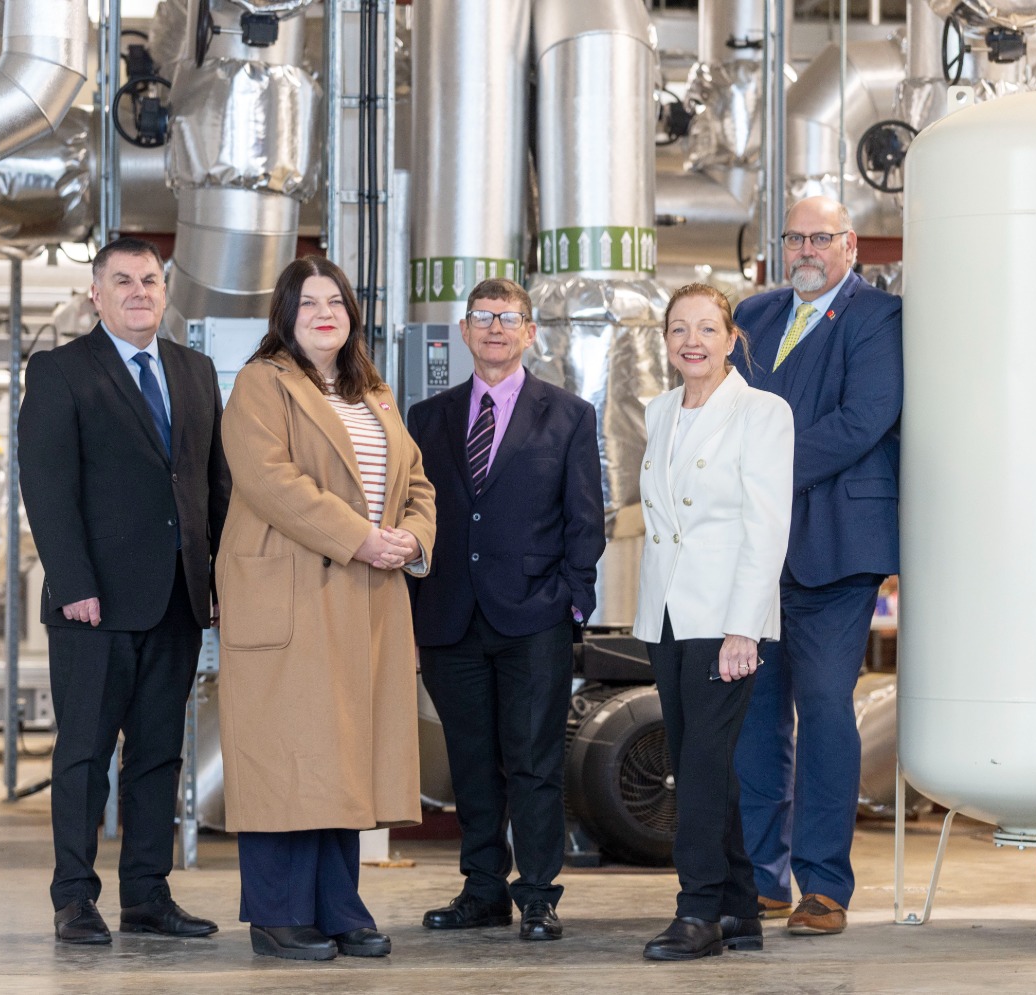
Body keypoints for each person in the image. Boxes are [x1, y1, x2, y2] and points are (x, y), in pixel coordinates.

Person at [216, 256, 437, 962]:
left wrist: (412, 538)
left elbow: (419, 482)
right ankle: (278, 913)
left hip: (365, 595)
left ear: (351, 314)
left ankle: (340, 905)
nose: (323, 312)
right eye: (308, 301)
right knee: (288, 755)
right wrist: (362, 537)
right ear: (285, 313)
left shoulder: (373, 393)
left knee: (346, 756)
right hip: (294, 590)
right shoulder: (262, 383)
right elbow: (269, 479)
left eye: (335, 301)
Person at [18, 236, 231, 945]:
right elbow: (47, 488)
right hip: (95, 604)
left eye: (150, 279)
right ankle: (74, 897)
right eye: (123, 281)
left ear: (165, 290)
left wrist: (219, 577)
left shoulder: (195, 371)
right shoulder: (59, 371)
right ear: (96, 294)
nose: (139, 290)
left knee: (158, 754)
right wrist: (73, 581)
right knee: (83, 753)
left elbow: (214, 486)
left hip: (176, 597)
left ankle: (148, 894)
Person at [408, 278, 605, 941]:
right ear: (464, 331)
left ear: (529, 332)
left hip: (535, 616)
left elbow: (586, 519)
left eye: (508, 318)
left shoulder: (570, 415)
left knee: (534, 761)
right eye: (482, 317)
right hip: (448, 617)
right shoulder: (426, 417)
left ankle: (540, 893)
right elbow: (416, 514)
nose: (495, 327)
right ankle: (483, 888)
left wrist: (574, 600)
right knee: (470, 760)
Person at [730, 195, 904, 936]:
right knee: (754, 717)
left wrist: (761, 471)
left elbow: (864, 421)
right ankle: (761, 877)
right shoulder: (755, 315)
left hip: (836, 548)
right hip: (753, 555)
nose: (805, 248)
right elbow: (724, 415)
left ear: (850, 245)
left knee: (828, 710)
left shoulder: (878, 317)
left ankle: (825, 885)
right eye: (794, 236)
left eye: (820, 237)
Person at [633, 284, 794, 961]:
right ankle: (738, 907)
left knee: (698, 765)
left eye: (706, 327)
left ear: (732, 338)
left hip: (724, 616)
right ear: (666, 341)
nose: (691, 340)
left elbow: (766, 526)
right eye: (678, 329)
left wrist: (742, 627)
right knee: (702, 761)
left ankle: (696, 910)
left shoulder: (763, 413)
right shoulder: (661, 409)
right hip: (669, 612)